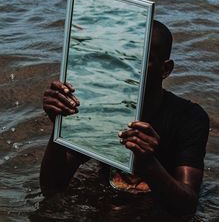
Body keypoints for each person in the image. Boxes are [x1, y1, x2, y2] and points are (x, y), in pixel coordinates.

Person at [40, 20, 209, 217]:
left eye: (141, 59)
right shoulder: (102, 107)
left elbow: (186, 209)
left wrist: (147, 163)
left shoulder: (188, 118)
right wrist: (59, 125)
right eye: (123, 57)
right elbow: (52, 188)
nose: (128, 68)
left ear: (165, 69)